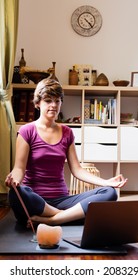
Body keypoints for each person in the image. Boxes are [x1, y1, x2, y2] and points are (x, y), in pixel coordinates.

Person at [5, 78, 127, 227]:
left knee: (110, 193)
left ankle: (52, 220)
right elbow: (19, 168)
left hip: (62, 201)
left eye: (57, 101)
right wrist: (14, 180)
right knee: (16, 193)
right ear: (37, 103)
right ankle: (69, 216)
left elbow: (77, 170)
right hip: (36, 200)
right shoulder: (26, 131)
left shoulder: (67, 132)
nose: (53, 105)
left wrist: (107, 182)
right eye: (48, 100)